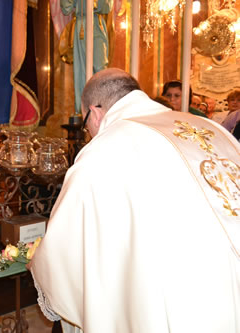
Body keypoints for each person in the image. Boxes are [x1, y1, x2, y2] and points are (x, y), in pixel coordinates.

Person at [30, 68, 240, 333]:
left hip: (181, 297)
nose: (89, 133)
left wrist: (40, 260)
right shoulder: (208, 127)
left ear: (94, 113)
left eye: (86, 126)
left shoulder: (107, 147)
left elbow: (67, 243)